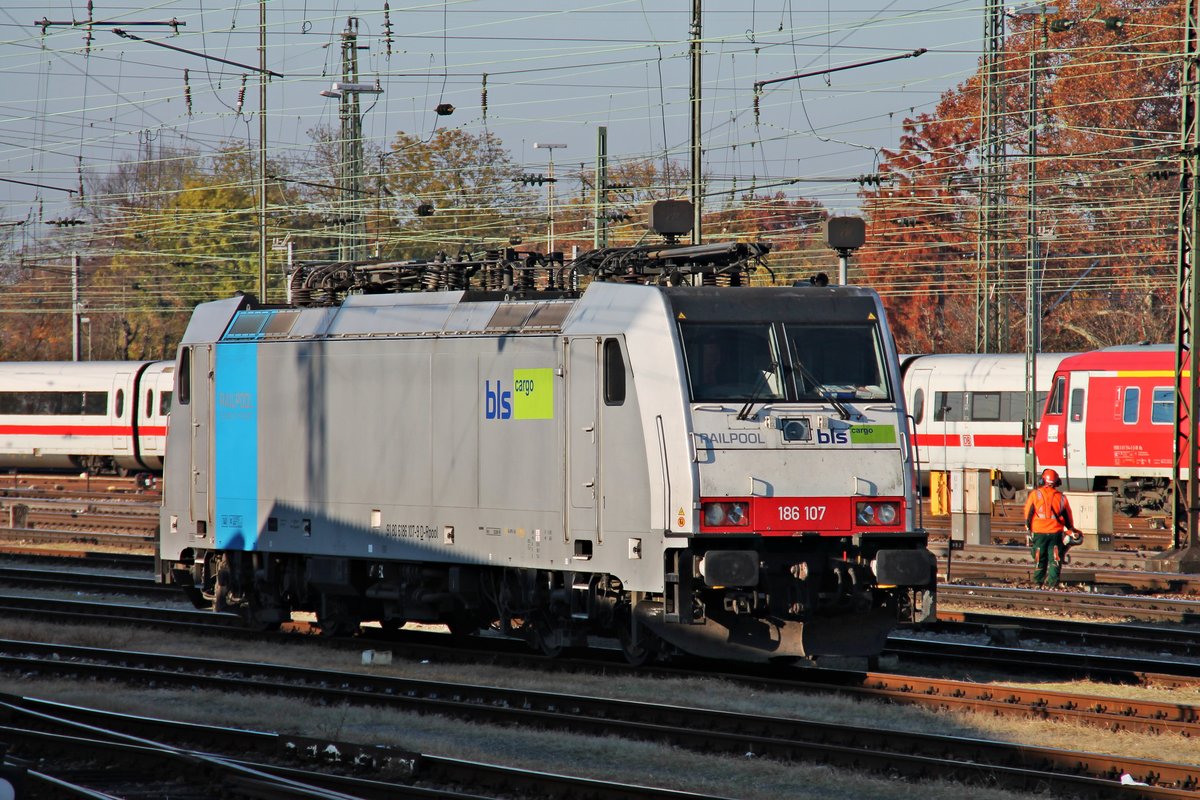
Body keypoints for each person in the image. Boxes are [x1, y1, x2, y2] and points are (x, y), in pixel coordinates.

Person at [1023, 468, 1081, 589]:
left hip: (1039, 532)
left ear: (1042, 480)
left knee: (1039, 557)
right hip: (1055, 533)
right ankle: (1052, 584)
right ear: (1057, 482)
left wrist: (1028, 528)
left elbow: (1028, 513)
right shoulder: (1061, 498)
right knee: (1055, 558)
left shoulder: (1035, 494)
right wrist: (1071, 530)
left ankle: (1038, 582)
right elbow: (1068, 518)